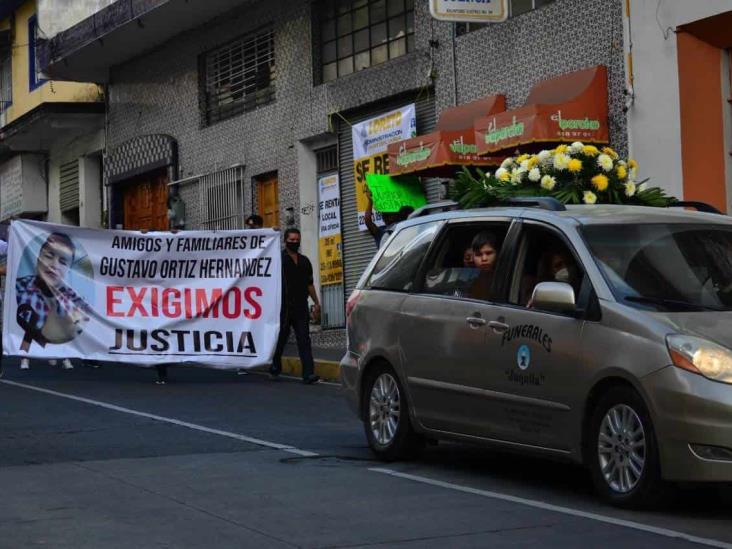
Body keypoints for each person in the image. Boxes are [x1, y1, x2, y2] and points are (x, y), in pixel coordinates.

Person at [14, 233, 86, 370]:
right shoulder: (20, 288)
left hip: (57, 335)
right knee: (30, 319)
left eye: (63, 262)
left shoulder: (73, 298)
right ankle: (25, 357)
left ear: (69, 270)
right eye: (49, 256)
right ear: (38, 258)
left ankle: (64, 356)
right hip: (33, 333)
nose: (54, 265)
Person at [271, 228, 321, 384]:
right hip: (284, 307)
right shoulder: (278, 259)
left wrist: (316, 302)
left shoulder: (304, 261)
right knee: (281, 339)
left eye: (296, 240)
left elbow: (310, 284)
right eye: (291, 240)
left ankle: (308, 374)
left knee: (304, 339)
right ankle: (274, 365)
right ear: (285, 241)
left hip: (301, 306)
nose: (294, 242)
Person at [469, 231, 500, 301]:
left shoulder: (512, 277)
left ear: (497, 253)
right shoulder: (469, 279)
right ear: (473, 256)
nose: (484, 259)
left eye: (489, 253)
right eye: (478, 254)